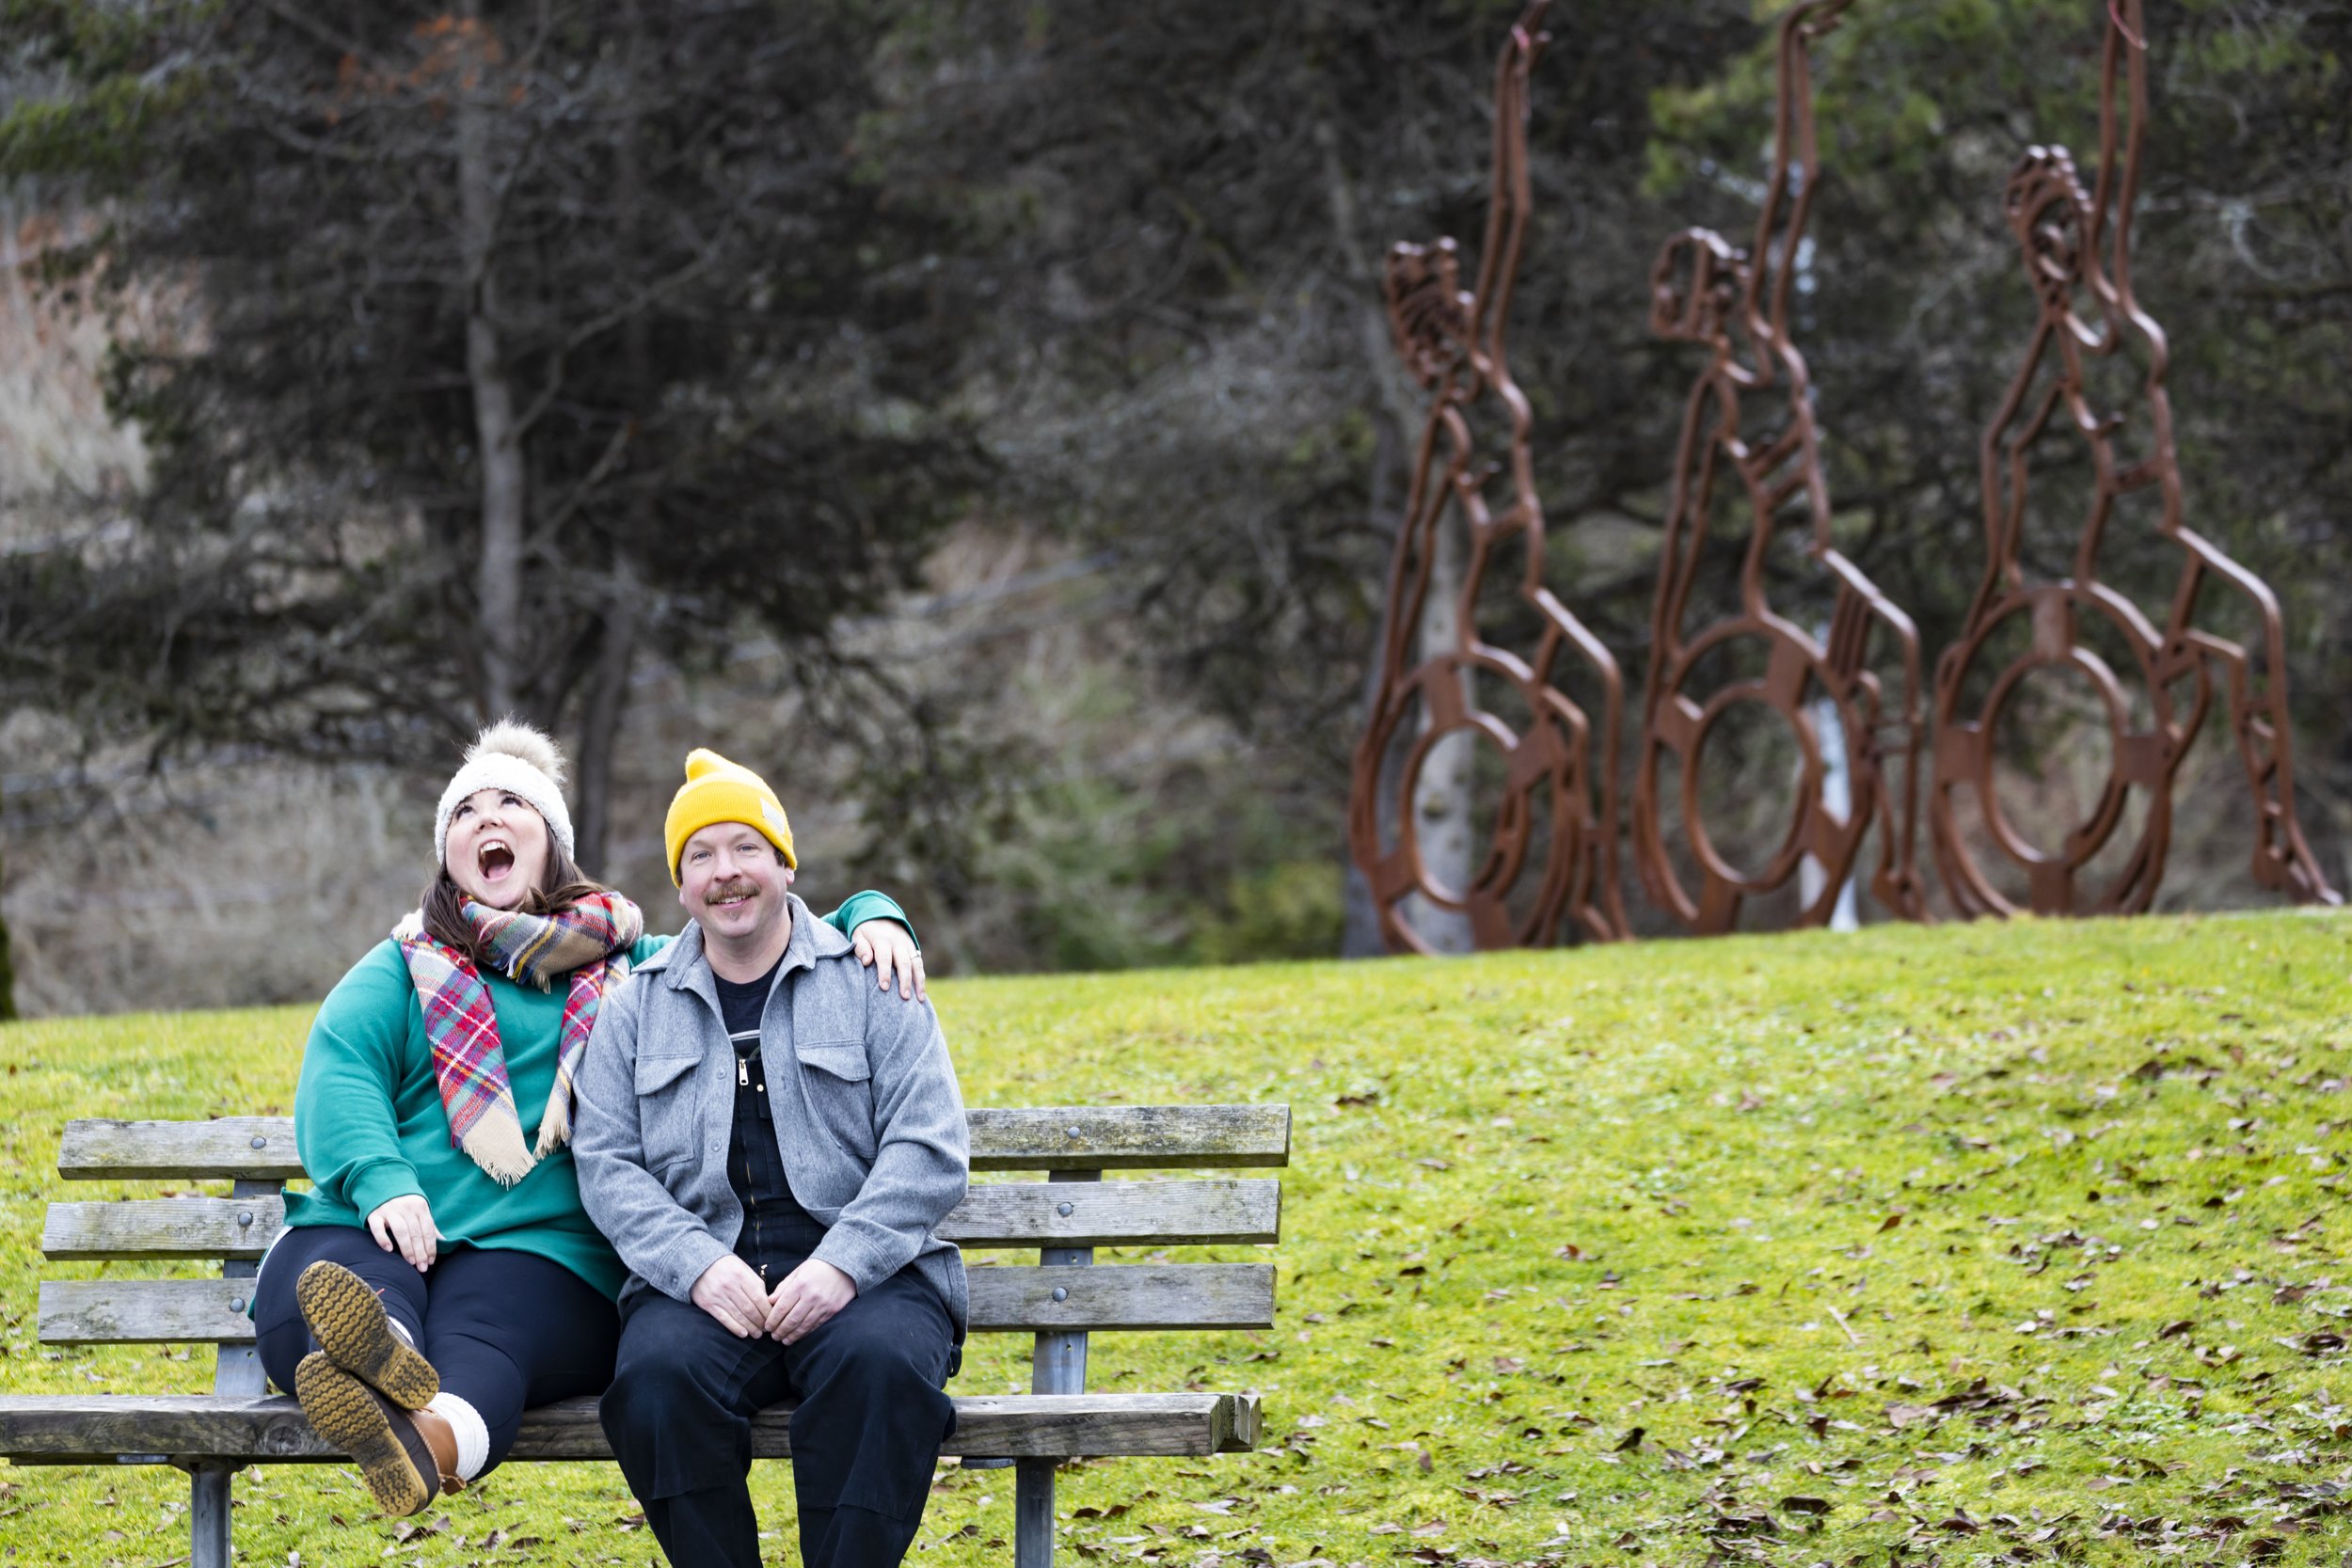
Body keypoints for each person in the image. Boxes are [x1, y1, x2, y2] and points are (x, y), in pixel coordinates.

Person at [252, 721, 927, 1516]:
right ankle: (383, 1358)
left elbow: (748, 922)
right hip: (385, 1219)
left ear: (552, 842)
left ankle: (426, 1438)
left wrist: (871, 913)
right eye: (466, 812)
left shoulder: (633, 965)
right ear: (448, 850)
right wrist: (381, 1181)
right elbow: (342, 1067)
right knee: (320, 1285)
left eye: (511, 803)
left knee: (492, 1338)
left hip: (538, 1247)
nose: (486, 819)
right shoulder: (406, 961)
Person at [573, 748, 968, 1568]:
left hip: (873, 1281)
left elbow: (928, 1146)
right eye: (701, 856)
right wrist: (694, 1266)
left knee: (881, 1369)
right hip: (708, 1284)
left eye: (747, 847)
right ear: (681, 887)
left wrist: (843, 1266)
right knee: (654, 1382)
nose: (727, 873)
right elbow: (607, 1161)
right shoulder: (636, 1007)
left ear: (784, 861)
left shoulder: (870, 979)